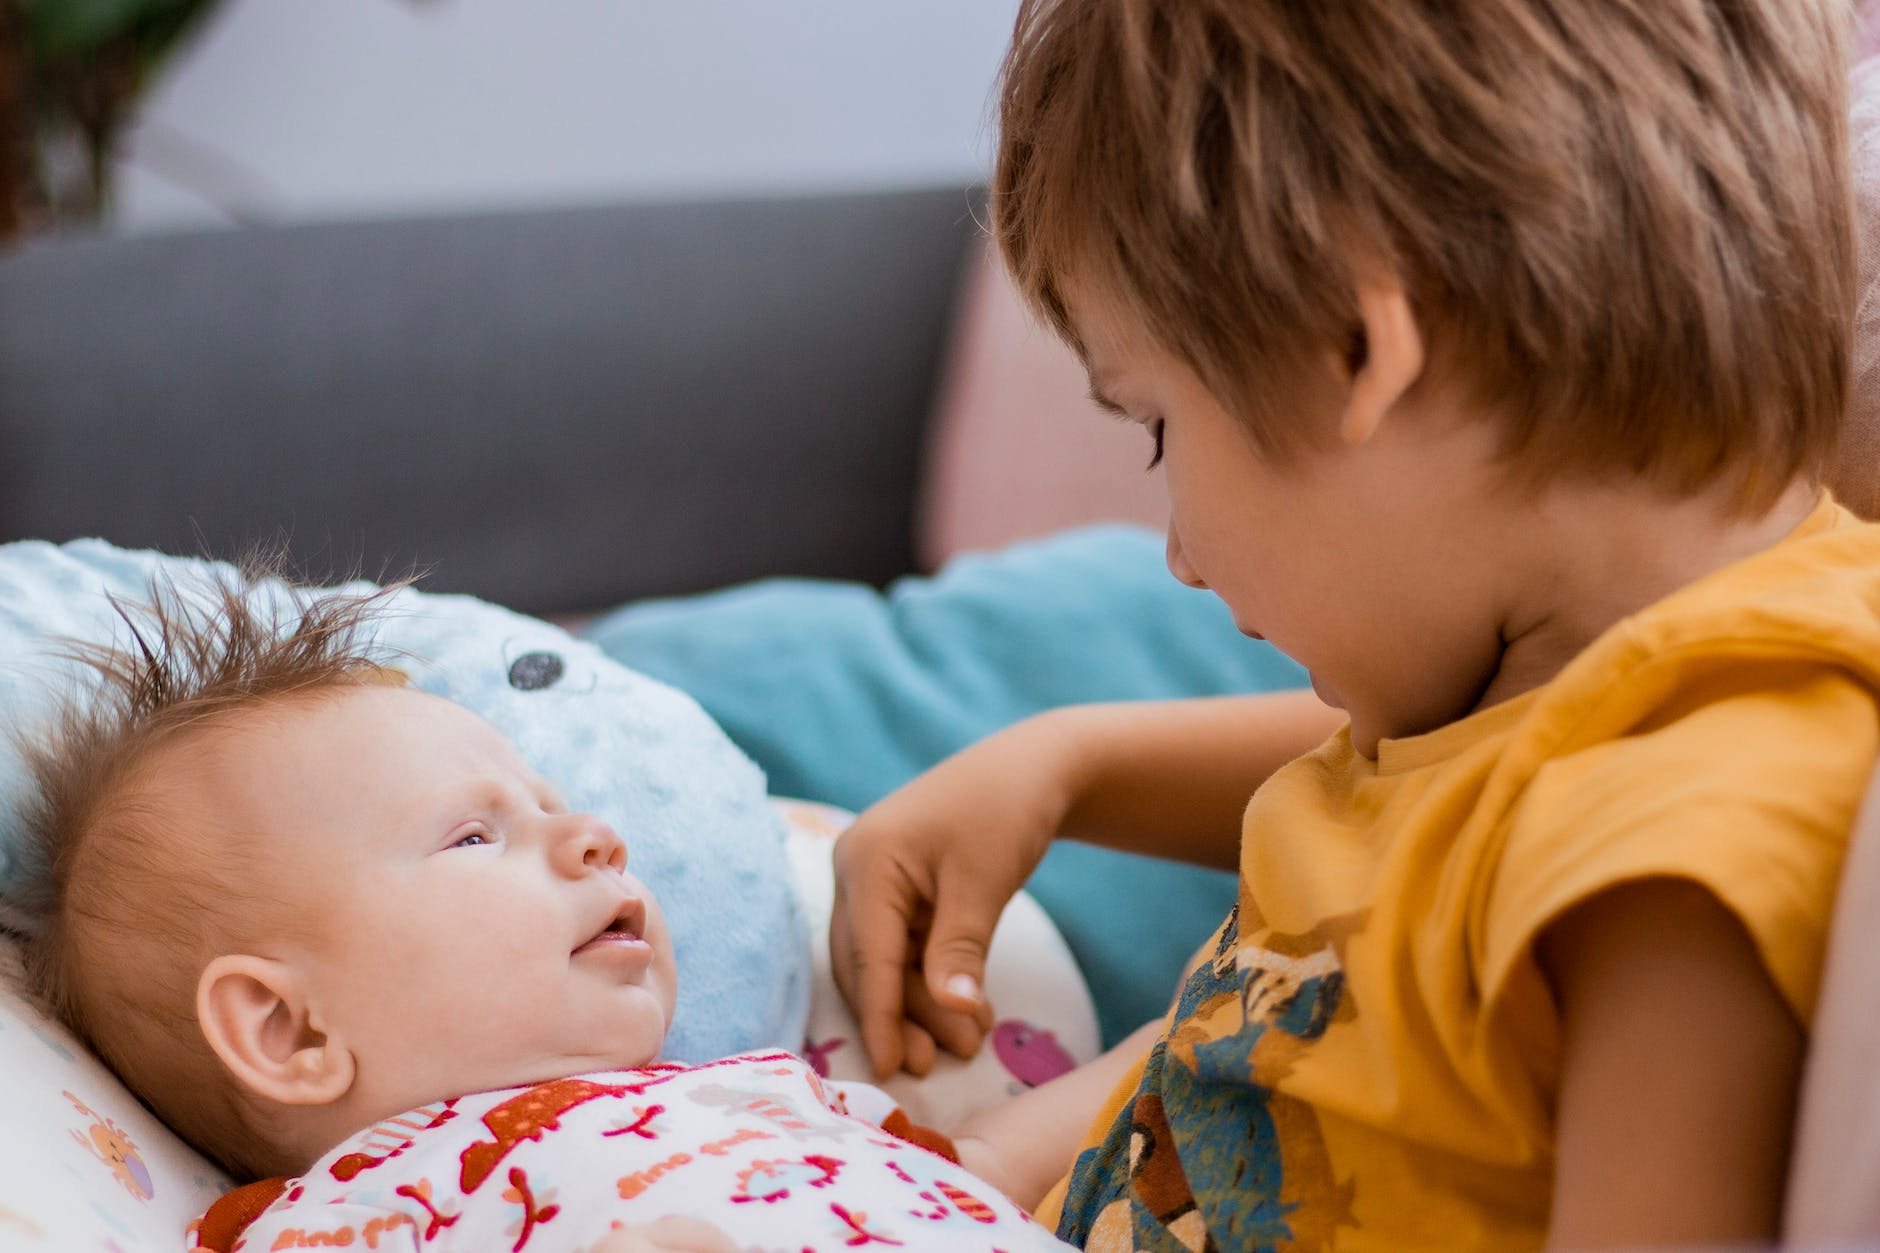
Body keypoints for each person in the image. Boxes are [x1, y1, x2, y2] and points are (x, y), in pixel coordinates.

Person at [828, 1, 1880, 1249]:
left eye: (1157, 424)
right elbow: (1405, 846)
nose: (1175, 553)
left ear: (1357, 350)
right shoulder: (1573, 688)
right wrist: (1069, 764)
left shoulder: (1678, 850)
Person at [7, 576, 1126, 1252]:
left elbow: (976, 1163)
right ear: (288, 1030)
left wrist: (1192, 1012)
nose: (593, 833)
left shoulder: (756, 1089)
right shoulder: (372, 1206)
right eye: (474, 834)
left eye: (553, 801)